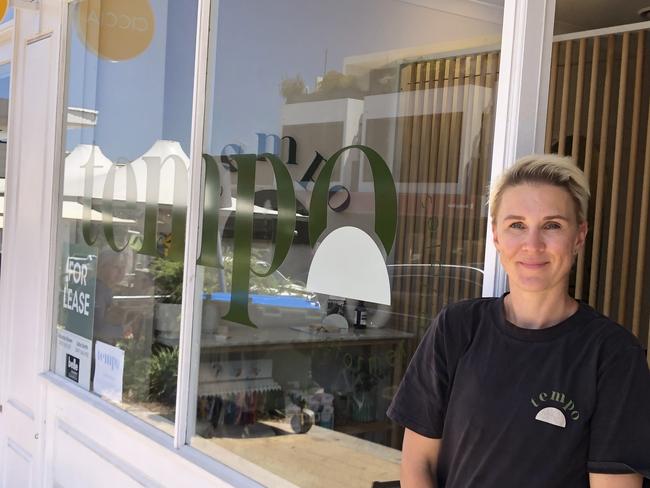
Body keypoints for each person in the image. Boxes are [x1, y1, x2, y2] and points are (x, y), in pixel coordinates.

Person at [387, 154, 650, 487]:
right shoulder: (456, 328)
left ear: (579, 236)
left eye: (552, 225)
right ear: (496, 236)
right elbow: (418, 464)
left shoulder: (613, 355)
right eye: (517, 225)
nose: (533, 244)